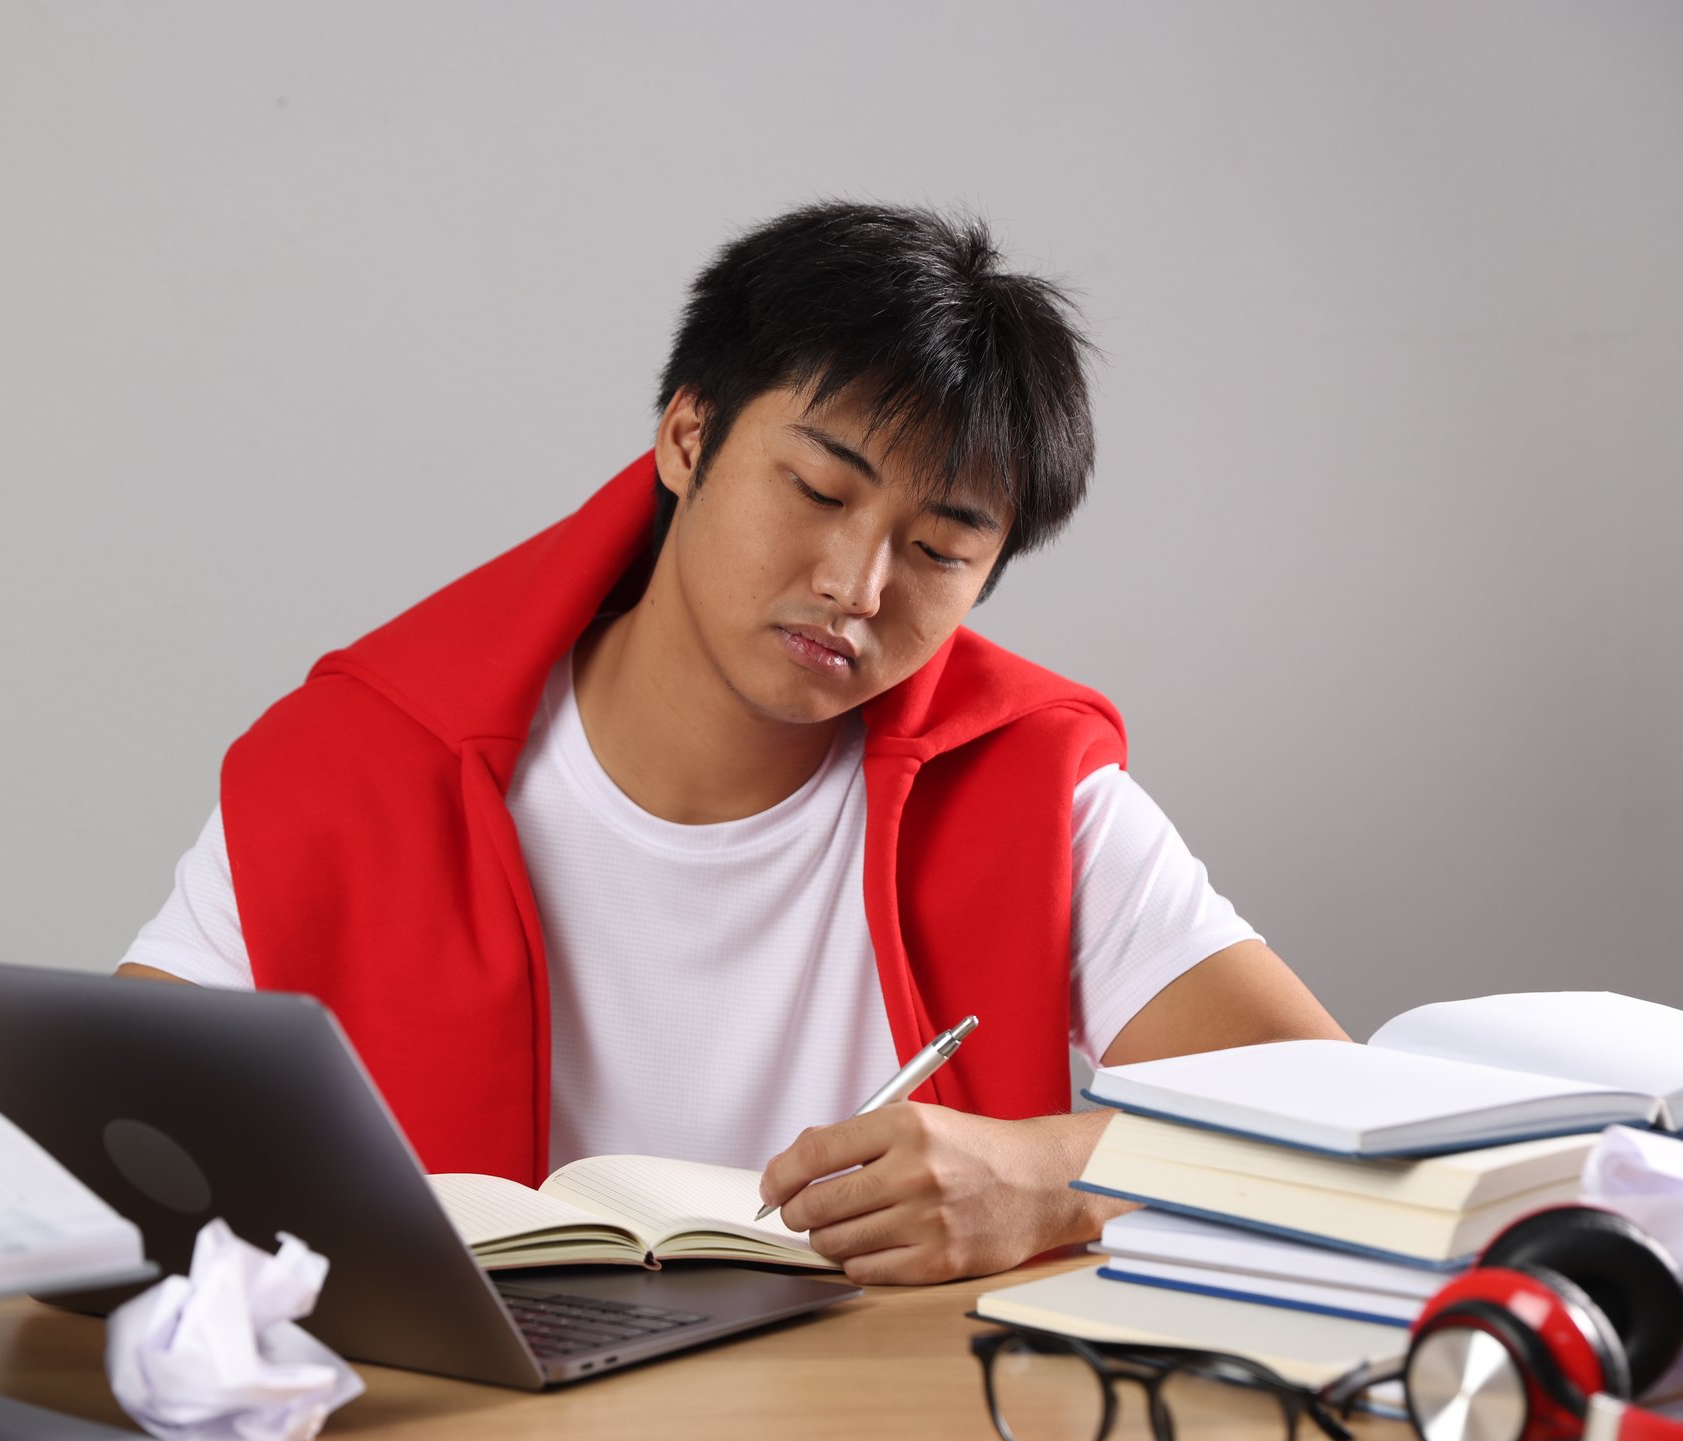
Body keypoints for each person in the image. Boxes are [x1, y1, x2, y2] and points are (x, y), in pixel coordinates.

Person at [119, 200, 1346, 1284]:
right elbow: (102, 1131)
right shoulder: (366, 762)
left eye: (938, 550)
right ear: (687, 437)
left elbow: (1357, 1131)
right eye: (818, 491)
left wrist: (1059, 1182)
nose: (856, 585)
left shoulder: (1034, 794)